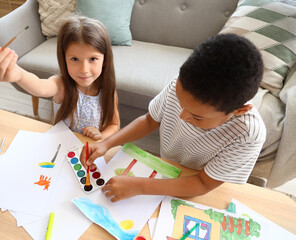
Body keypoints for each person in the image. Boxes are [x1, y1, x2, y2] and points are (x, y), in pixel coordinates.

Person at [82, 34, 266, 202]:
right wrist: (108, 143)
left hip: (194, 184)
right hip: (167, 167)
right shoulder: (182, 86)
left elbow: (203, 184)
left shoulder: (247, 134)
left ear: (239, 111)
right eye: (180, 102)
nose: (182, 115)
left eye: (196, 116)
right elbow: (149, 120)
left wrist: (139, 186)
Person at [0, 16, 120, 140]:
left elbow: (114, 124)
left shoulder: (108, 90)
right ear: (64, 58)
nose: (84, 69)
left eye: (93, 59)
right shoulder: (61, 85)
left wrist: (101, 136)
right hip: (60, 150)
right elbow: (40, 87)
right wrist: (17, 73)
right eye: (74, 59)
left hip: (89, 152)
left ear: (105, 60)